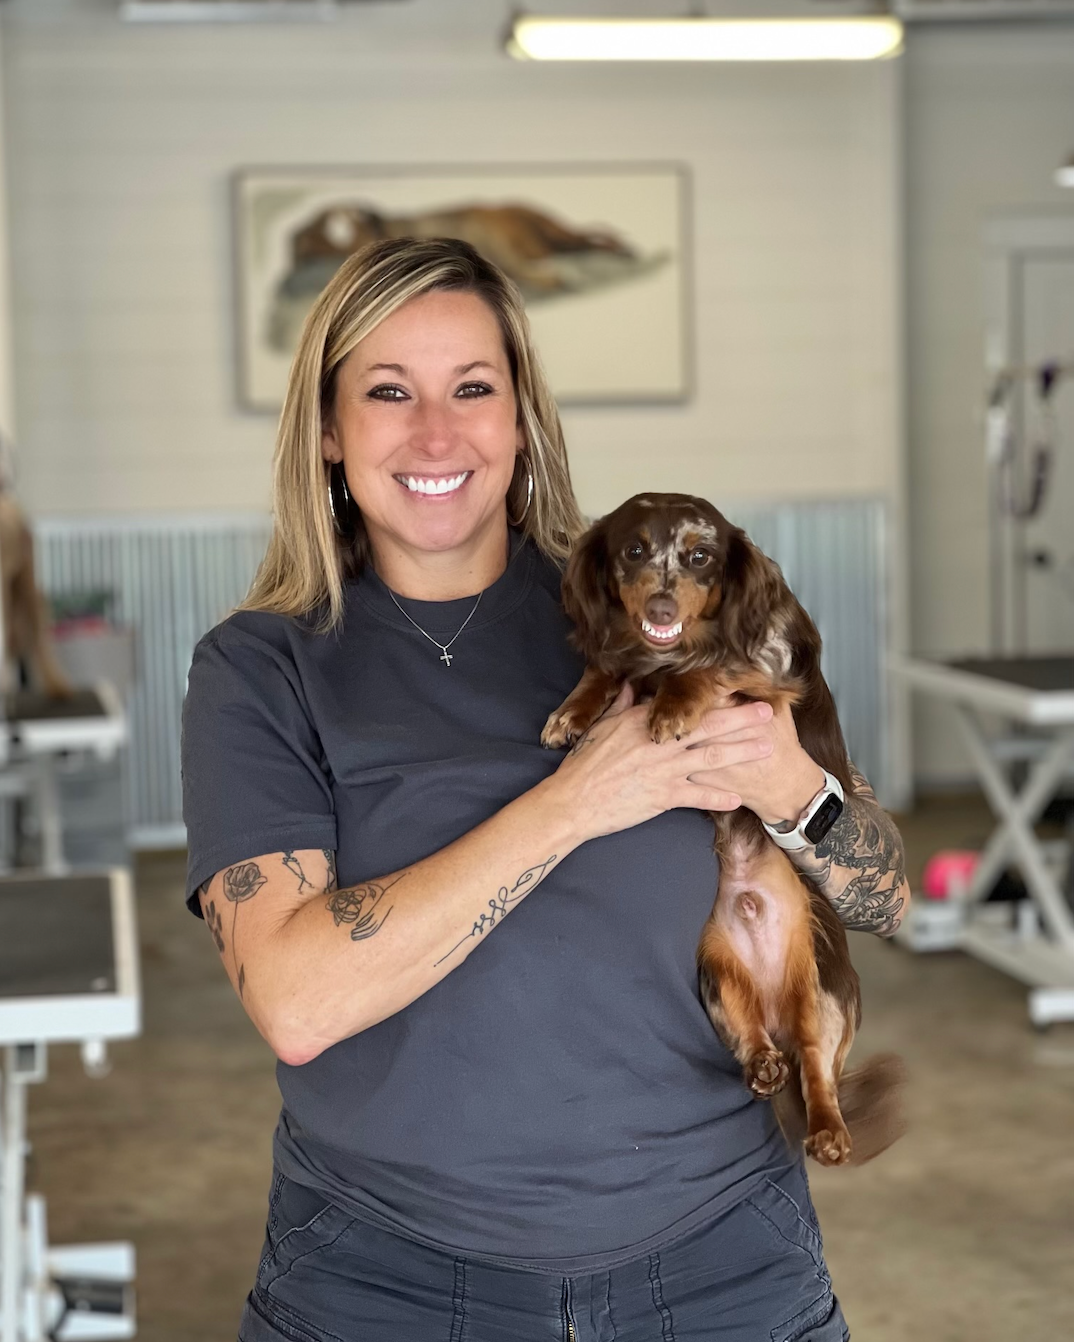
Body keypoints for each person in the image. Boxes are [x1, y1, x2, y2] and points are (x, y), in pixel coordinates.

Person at [181, 236, 910, 1342]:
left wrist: (790, 785)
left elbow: (887, 898)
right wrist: (576, 798)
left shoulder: (647, 624)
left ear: (520, 420)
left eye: (473, 388)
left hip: (722, 1265)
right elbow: (295, 1000)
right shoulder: (264, 668)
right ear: (328, 431)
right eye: (389, 392)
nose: (437, 432)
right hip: (390, 1281)